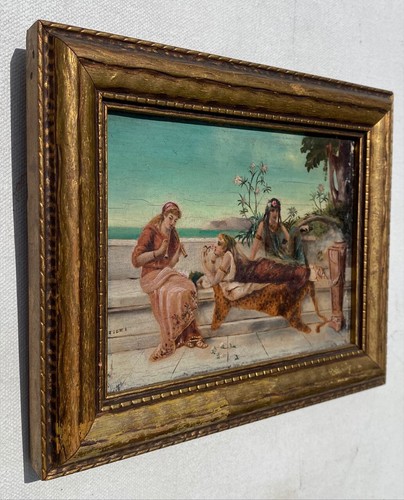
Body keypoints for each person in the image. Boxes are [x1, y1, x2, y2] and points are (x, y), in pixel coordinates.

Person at [132, 201, 208, 361]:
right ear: (164, 216)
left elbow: (169, 265)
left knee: (188, 287)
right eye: (170, 218)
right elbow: (136, 261)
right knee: (171, 293)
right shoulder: (150, 231)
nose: (173, 223)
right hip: (150, 276)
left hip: (164, 273)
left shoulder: (173, 235)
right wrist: (158, 252)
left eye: (175, 220)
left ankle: (189, 336)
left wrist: (177, 254)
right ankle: (173, 340)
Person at [202, 233, 311, 294]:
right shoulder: (229, 256)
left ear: (225, 247)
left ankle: (306, 272)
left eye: (218, 243)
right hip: (260, 268)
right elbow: (215, 275)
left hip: (259, 271)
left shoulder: (227, 256)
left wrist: (203, 263)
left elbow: (215, 281)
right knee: (286, 271)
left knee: (288, 272)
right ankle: (305, 271)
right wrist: (213, 259)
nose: (214, 246)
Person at [250, 198, 307, 264]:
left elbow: (289, 239)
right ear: (268, 212)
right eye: (272, 210)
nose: (275, 213)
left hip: (282, 255)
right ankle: (299, 263)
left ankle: (302, 263)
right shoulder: (263, 224)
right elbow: (256, 243)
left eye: (277, 211)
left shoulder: (280, 225)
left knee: (294, 229)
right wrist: (251, 259)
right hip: (272, 258)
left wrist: (283, 243)